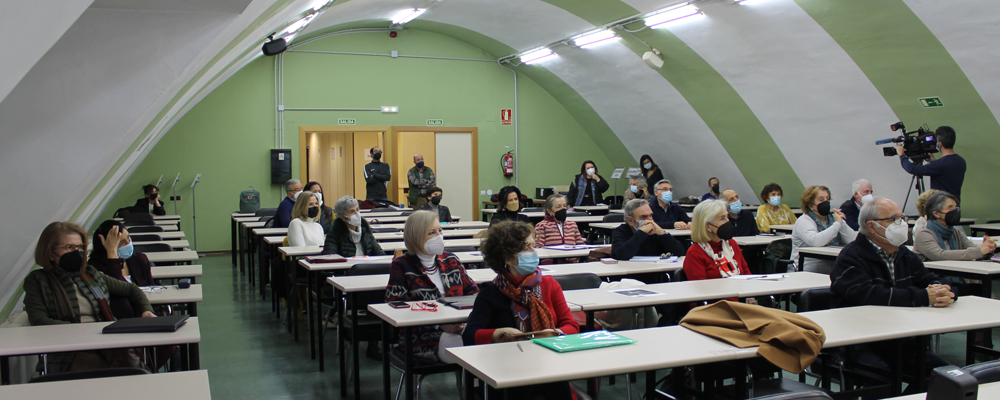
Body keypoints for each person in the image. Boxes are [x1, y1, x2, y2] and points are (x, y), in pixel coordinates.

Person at [831, 198, 956, 392]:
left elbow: (928, 278)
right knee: (883, 379)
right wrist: (922, 296)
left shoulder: (904, 254)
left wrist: (943, 290)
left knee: (947, 376)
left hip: (901, 339)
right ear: (871, 226)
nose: (902, 224)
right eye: (894, 219)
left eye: (902, 217)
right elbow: (869, 295)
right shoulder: (851, 256)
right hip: (859, 342)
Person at [464, 220, 579, 399]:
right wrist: (498, 333)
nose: (534, 252)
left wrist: (556, 332)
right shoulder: (490, 293)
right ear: (507, 258)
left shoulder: (549, 285)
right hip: (507, 372)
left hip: (550, 366)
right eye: (527, 247)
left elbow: (571, 325)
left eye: (534, 245)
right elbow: (470, 334)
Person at [22, 222, 155, 373]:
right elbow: (39, 320)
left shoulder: (90, 273)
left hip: (106, 340)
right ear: (50, 252)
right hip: (67, 349)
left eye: (80, 247)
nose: (77, 252)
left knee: (128, 360)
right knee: (117, 368)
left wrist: (146, 310)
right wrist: (83, 331)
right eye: (69, 247)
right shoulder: (38, 280)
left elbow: (132, 289)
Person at [386, 211, 479, 363]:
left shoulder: (451, 260)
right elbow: (397, 304)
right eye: (431, 232)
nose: (438, 236)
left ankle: (475, 387)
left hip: (460, 326)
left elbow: (474, 293)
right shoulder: (402, 265)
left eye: (440, 231)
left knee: (482, 342)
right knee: (468, 351)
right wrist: (439, 325)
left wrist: (465, 320)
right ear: (416, 236)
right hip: (421, 334)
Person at [683, 200, 755, 303]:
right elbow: (701, 292)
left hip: (740, 302)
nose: (727, 221)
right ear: (708, 226)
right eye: (722, 218)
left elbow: (745, 271)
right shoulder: (695, 252)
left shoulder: (731, 244)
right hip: (713, 307)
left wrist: (750, 295)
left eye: (727, 217)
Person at [791, 185, 857, 274]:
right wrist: (836, 224)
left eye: (827, 199)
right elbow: (815, 241)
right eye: (821, 200)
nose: (826, 203)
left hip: (832, 269)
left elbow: (852, 240)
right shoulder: (804, 220)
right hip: (807, 270)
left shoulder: (832, 218)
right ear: (810, 204)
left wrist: (841, 223)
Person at [913, 191, 996, 261]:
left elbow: (974, 249)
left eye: (956, 207)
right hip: (934, 278)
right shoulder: (923, 234)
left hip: (957, 277)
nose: (955, 211)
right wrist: (979, 251)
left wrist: (987, 248)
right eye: (950, 207)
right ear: (936, 214)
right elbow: (940, 255)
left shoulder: (955, 231)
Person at [896, 126, 966, 200]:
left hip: (939, 206)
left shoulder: (938, 165)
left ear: (940, 144)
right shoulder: (961, 161)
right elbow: (946, 171)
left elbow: (912, 169)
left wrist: (901, 155)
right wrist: (932, 161)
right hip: (955, 205)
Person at [611, 199, 685, 260]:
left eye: (651, 216)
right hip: (628, 274)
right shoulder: (620, 231)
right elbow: (622, 254)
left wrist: (663, 234)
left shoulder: (655, 232)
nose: (650, 220)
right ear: (630, 220)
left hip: (653, 271)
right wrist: (641, 232)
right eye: (644, 217)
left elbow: (679, 252)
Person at [320, 195, 385, 257]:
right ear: (342, 217)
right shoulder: (335, 234)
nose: (357, 214)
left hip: (367, 267)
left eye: (357, 209)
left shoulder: (366, 231)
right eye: (352, 212)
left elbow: (380, 253)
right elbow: (330, 258)